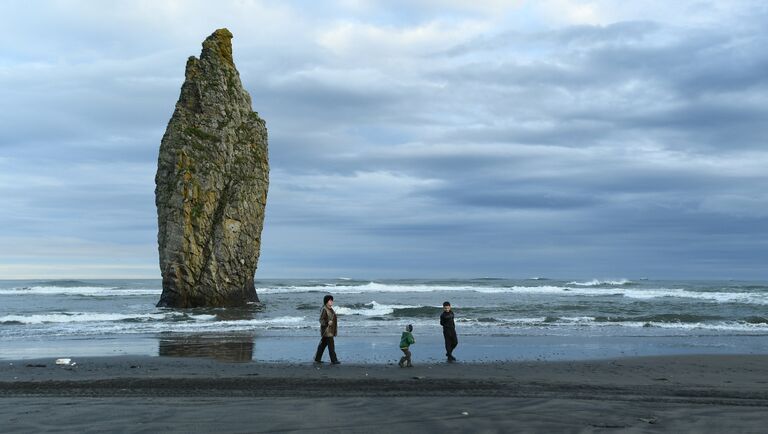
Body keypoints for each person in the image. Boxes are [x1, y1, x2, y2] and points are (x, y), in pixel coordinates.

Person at [314, 294, 340, 364]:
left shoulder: (331, 309)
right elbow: (321, 320)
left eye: (332, 300)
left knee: (322, 345)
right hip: (327, 331)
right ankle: (334, 360)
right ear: (326, 301)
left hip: (330, 331)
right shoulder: (324, 309)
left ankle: (317, 359)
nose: (332, 302)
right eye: (330, 300)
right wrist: (327, 322)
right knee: (331, 346)